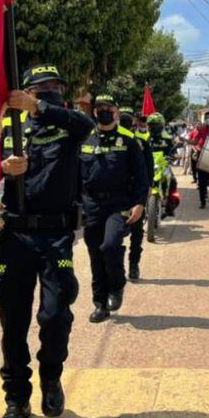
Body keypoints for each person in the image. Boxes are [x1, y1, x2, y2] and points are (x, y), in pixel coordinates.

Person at [0, 64, 92, 418]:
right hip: (14, 234)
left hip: (55, 236)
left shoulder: (68, 125)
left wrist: (38, 107)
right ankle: (17, 402)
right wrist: (4, 169)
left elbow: (84, 127)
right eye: (42, 87)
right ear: (27, 89)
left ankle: (51, 374)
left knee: (54, 314)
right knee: (13, 322)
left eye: (54, 88)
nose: (49, 91)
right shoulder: (6, 128)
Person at [80, 94, 150, 323]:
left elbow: (141, 176)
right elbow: (75, 174)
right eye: (100, 108)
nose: (104, 111)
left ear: (116, 112)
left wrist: (139, 203)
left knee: (110, 246)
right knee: (94, 255)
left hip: (118, 204)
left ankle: (117, 286)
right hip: (92, 205)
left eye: (108, 107)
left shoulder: (129, 140)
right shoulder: (85, 139)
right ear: (94, 112)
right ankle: (100, 303)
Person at [119, 107, 153, 281]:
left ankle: (133, 265)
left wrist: (148, 188)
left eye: (128, 119)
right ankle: (115, 267)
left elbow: (149, 167)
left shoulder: (140, 142)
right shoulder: (111, 140)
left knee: (137, 232)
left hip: (135, 194)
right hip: (117, 194)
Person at [146, 112, 180, 217]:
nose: (154, 127)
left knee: (173, 181)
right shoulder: (145, 139)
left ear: (161, 125)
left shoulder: (167, 138)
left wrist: (174, 155)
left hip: (163, 165)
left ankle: (170, 205)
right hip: (149, 165)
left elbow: (173, 150)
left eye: (156, 124)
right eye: (151, 125)